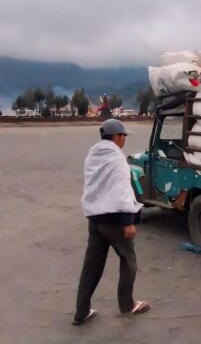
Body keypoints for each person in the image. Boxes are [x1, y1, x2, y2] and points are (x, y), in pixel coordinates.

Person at [73, 119, 149, 326]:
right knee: (128, 261)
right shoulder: (117, 159)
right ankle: (127, 305)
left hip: (94, 220)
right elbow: (121, 190)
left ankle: (81, 311)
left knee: (92, 267)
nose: (124, 140)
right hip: (114, 220)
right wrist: (128, 221)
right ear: (116, 137)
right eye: (123, 136)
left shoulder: (93, 155)